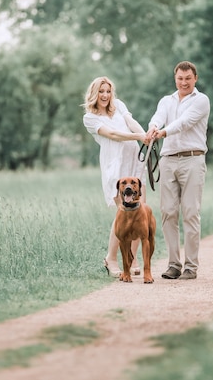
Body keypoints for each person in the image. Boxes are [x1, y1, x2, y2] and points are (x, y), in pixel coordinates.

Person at [145, 61, 210, 280]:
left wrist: (163, 133)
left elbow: (185, 122)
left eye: (187, 78)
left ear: (195, 78)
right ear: (175, 78)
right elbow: (158, 117)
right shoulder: (166, 100)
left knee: (191, 212)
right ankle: (173, 264)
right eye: (180, 78)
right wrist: (153, 127)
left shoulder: (201, 100)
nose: (183, 82)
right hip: (168, 160)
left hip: (193, 159)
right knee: (168, 212)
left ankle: (191, 266)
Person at [82, 76, 148, 277]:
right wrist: (138, 137)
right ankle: (110, 258)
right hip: (116, 166)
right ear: (94, 93)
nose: (105, 95)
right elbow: (112, 134)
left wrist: (145, 135)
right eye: (101, 91)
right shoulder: (90, 118)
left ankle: (131, 257)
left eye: (108, 91)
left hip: (134, 161)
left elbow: (131, 122)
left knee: (140, 211)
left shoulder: (118, 105)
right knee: (123, 214)